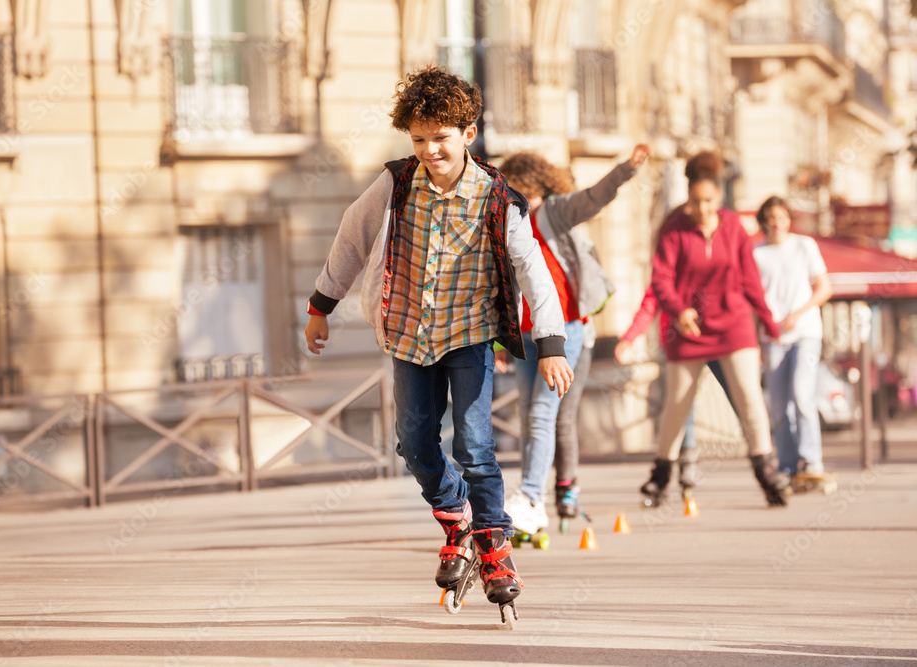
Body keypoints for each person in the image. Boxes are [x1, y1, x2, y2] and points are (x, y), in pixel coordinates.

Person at [304, 66, 573, 605]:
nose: (430, 150)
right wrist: (321, 305)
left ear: (468, 134)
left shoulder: (499, 198)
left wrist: (551, 345)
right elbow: (352, 238)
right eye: (420, 139)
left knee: (475, 447)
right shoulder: (397, 182)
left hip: (468, 336)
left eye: (441, 138)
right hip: (408, 334)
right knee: (416, 445)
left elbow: (533, 273)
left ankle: (494, 546)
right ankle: (457, 521)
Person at [496, 146, 650, 535]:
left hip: (567, 330)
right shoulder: (506, 223)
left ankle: (536, 495)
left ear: (539, 188)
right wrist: (500, 342)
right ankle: (546, 498)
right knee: (534, 415)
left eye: (525, 193)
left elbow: (594, 197)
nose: (521, 202)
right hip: (526, 335)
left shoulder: (556, 211)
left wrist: (626, 169)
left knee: (548, 415)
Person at [640, 151, 790, 507]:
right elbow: (661, 278)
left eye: (708, 201)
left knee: (750, 400)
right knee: (676, 406)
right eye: (695, 201)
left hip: (734, 325)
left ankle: (767, 473)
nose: (702, 208)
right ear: (687, 196)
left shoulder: (733, 225)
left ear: (719, 197)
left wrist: (768, 321)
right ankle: (660, 478)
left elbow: (750, 277)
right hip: (687, 330)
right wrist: (679, 311)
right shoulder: (674, 226)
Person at [614, 283, 733, 496]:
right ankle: (686, 460)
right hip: (680, 346)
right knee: (681, 403)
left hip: (715, 340)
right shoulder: (664, 272)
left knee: (738, 395)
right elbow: (649, 307)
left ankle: (764, 458)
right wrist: (629, 339)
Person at [753, 196, 832, 478]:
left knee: (801, 394)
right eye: (771, 217)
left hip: (806, 333)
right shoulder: (756, 254)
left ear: (789, 219)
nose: (777, 223)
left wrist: (799, 313)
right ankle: (787, 464)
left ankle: (812, 460)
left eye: (782, 216)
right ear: (763, 222)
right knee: (777, 405)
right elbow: (751, 300)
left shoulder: (803, 246)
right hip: (772, 338)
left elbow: (824, 288)